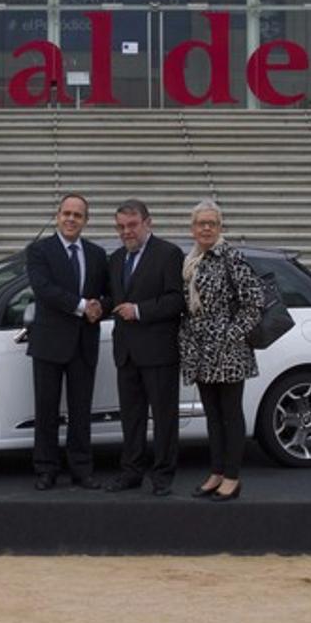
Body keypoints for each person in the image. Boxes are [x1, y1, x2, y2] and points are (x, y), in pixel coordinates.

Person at [180, 199, 264, 502]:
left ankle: (232, 477)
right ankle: (216, 472)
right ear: (192, 228)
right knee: (212, 416)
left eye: (211, 223)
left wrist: (230, 335)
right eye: (200, 223)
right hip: (200, 352)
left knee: (231, 415)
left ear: (220, 227)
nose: (205, 228)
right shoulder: (191, 260)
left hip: (228, 353)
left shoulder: (231, 257)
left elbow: (254, 303)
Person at [25, 193, 108, 491]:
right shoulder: (38, 251)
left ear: (86, 220)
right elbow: (44, 290)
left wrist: (101, 305)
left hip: (84, 344)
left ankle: (81, 469)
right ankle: (46, 469)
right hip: (49, 343)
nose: (72, 219)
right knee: (46, 410)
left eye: (78, 215)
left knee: (81, 410)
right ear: (58, 216)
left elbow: (109, 293)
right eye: (67, 214)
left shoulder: (97, 254)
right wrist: (83, 306)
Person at [103, 199, 185, 497]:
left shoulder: (168, 254)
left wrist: (139, 311)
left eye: (132, 225)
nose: (127, 232)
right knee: (131, 417)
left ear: (148, 223)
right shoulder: (114, 260)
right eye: (121, 227)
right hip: (126, 353)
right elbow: (115, 299)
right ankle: (131, 473)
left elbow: (177, 300)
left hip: (159, 352)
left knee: (164, 418)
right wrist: (99, 305)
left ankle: (162, 476)